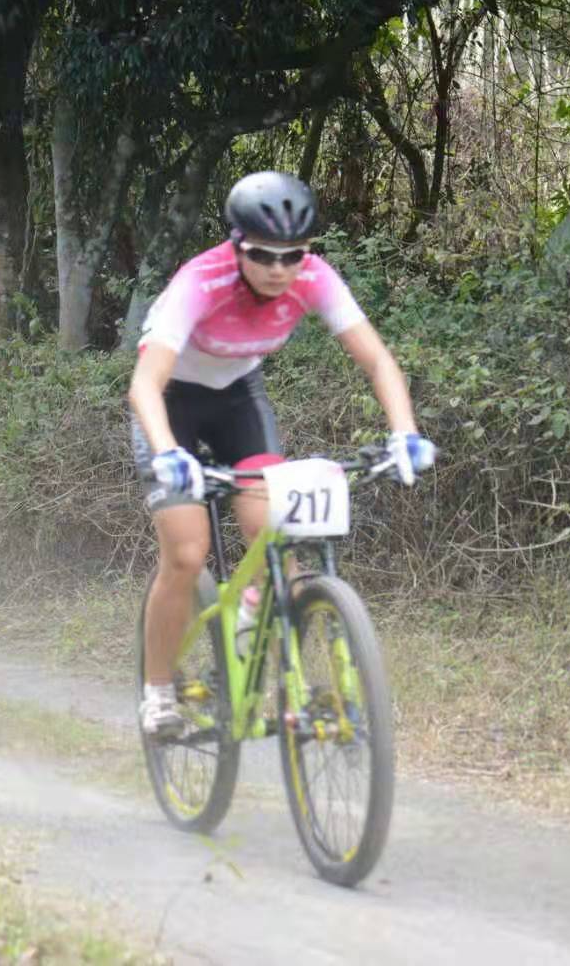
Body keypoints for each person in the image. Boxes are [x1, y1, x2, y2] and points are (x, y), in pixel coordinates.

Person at [128, 170, 437, 737]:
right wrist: (168, 452)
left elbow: (377, 360)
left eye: (293, 255)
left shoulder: (313, 279)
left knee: (276, 540)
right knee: (188, 553)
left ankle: (251, 644)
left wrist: (404, 433)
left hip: (239, 401)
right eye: (264, 255)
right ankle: (157, 692)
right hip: (170, 402)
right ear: (236, 244)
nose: (279, 269)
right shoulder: (202, 280)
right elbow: (145, 384)